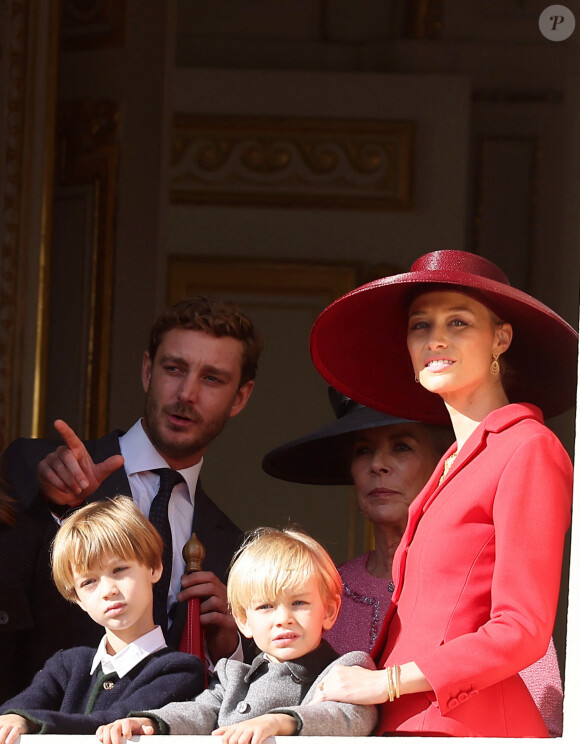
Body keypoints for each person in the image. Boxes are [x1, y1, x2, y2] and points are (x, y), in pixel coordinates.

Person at [308, 250, 577, 737]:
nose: (435, 339)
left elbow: (522, 630)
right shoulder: (451, 462)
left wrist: (387, 683)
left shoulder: (528, 448)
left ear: (501, 338)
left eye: (458, 322)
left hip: (467, 727)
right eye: (419, 325)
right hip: (409, 724)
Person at [0, 295, 263, 699]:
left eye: (212, 378)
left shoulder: (233, 547)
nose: (187, 393)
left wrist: (229, 648)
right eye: (174, 369)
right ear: (147, 370)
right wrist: (54, 508)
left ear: (241, 398)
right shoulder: (36, 469)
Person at [263, 387, 564, 735]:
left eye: (402, 446)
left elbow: (547, 717)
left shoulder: (487, 587)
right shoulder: (319, 588)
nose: (378, 465)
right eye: (363, 451)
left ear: (446, 464)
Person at [97, 527, 378, 744]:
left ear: (329, 611)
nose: (283, 619)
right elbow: (198, 712)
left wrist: (279, 722)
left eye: (299, 603)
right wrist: (149, 722)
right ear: (243, 620)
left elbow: (350, 717)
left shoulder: (344, 670)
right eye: (266, 607)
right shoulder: (233, 678)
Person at [0, 497, 204, 741]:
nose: (108, 590)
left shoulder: (179, 669)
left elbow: (110, 723)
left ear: (153, 567)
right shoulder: (66, 665)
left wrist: (30, 721)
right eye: (89, 582)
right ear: (78, 599)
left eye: (119, 570)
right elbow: (19, 708)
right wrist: (15, 716)